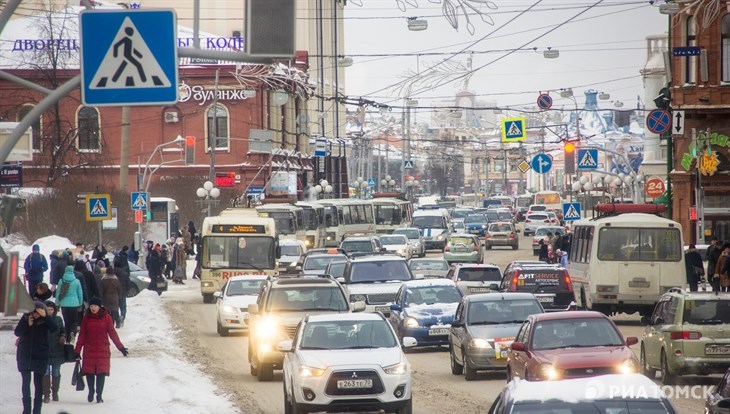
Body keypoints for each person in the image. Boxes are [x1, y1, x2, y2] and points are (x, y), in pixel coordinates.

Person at [74, 297, 129, 403]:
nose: (93, 308)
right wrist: (77, 351)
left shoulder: (107, 318)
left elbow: (112, 333)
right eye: (91, 306)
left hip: (102, 350)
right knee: (89, 372)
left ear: (100, 307)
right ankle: (91, 391)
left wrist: (120, 347)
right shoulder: (86, 318)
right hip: (89, 349)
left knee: (101, 373)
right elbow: (82, 336)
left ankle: (99, 395)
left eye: (95, 306)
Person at [15, 300, 57, 414]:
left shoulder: (45, 321)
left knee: (38, 385)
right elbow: (17, 332)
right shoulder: (26, 319)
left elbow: (54, 328)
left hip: (40, 355)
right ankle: (26, 410)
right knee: (25, 383)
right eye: (34, 312)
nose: (35, 315)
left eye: (38, 312)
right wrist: (27, 325)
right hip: (25, 354)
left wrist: (46, 317)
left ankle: (37, 410)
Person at [42, 300, 65, 403]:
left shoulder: (58, 320)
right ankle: (46, 394)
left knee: (56, 372)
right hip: (45, 350)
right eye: (48, 309)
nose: (50, 311)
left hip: (57, 350)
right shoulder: (41, 320)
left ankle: (55, 392)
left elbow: (63, 331)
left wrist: (62, 337)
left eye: (51, 309)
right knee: (45, 373)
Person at [55, 265, 84, 343]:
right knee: (74, 321)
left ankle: (67, 338)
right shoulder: (76, 281)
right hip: (74, 304)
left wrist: (57, 303)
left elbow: (58, 293)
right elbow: (80, 293)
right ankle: (73, 333)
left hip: (64, 304)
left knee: (67, 321)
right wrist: (80, 303)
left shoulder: (61, 281)